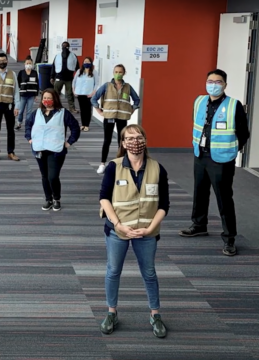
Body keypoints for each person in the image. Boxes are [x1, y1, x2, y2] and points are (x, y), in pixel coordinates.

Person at [98, 124, 169, 339]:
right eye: (129, 138)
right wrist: (119, 225)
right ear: (122, 143)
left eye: (138, 137)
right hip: (117, 230)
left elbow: (164, 204)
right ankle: (112, 312)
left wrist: (150, 228)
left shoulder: (157, 168)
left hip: (147, 232)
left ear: (145, 141)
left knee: (149, 273)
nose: (134, 142)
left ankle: (155, 314)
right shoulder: (114, 166)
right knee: (113, 271)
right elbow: (104, 198)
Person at [179, 69, 250, 256]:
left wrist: (231, 150)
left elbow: (244, 134)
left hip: (222, 159)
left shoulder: (234, 105)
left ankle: (229, 238)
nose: (213, 85)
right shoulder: (199, 101)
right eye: (210, 81)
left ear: (225, 85)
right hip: (200, 155)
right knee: (200, 192)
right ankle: (199, 224)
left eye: (218, 82)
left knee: (224, 198)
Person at [25, 89, 80, 211]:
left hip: (56, 151)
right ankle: (48, 199)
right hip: (39, 149)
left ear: (55, 99)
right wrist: (29, 138)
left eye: (49, 98)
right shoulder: (36, 113)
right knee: (44, 175)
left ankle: (56, 198)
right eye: (44, 98)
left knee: (53, 176)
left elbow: (75, 128)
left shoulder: (63, 113)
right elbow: (28, 125)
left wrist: (69, 142)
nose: (46, 100)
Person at [91, 64, 141, 175]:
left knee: (122, 141)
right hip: (109, 116)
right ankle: (102, 164)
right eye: (116, 72)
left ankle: (122, 163)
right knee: (107, 141)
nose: (118, 74)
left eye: (120, 72)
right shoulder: (107, 86)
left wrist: (132, 110)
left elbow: (137, 100)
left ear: (124, 73)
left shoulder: (127, 87)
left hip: (122, 117)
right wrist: (99, 111)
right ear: (113, 73)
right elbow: (94, 98)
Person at [0, 52, 21, 161]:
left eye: (4, 60)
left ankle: (10, 152)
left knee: (10, 130)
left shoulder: (13, 74)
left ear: (7, 61)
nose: (2, 62)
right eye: (0, 61)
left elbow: (16, 91)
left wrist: (17, 107)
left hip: (9, 105)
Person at [51, 42, 80, 113]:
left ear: (69, 47)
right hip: (58, 78)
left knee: (70, 94)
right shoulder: (57, 56)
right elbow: (53, 67)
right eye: (64, 46)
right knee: (56, 93)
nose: (65, 48)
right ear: (61, 47)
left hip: (69, 79)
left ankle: (72, 108)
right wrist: (52, 77)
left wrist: (79, 77)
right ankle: (55, 106)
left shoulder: (73, 56)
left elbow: (77, 67)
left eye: (66, 46)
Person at [72, 56, 99, 131]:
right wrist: (74, 90)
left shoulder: (94, 72)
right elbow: (74, 81)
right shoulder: (79, 71)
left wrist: (93, 93)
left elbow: (96, 83)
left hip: (89, 94)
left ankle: (87, 125)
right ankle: (83, 124)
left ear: (91, 63)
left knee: (88, 110)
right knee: (82, 109)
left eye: (88, 62)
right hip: (80, 93)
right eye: (85, 62)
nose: (86, 63)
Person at [16, 56, 39, 130]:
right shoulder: (21, 72)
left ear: (32, 64)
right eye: (27, 63)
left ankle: (28, 125)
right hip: (23, 95)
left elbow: (37, 83)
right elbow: (18, 82)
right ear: (24, 64)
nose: (28, 64)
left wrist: (36, 95)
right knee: (21, 111)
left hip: (31, 95)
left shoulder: (35, 73)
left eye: (30, 63)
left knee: (29, 112)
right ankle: (19, 123)